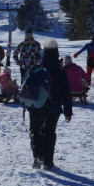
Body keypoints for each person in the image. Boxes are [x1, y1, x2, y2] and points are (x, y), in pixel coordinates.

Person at [26, 40, 72, 170]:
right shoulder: (60, 72)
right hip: (54, 106)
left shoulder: (35, 68)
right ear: (56, 53)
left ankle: (37, 156)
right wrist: (68, 111)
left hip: (36, 105)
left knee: (36, 130)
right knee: (50, 132)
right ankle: (48, 162)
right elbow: (66, 94)